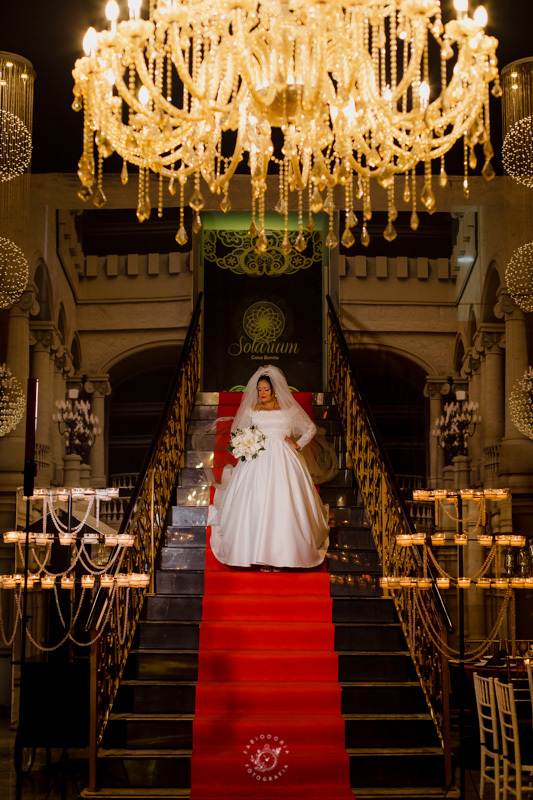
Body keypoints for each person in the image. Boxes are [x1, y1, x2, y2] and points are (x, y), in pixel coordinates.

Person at [208, 365, 335, 570]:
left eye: (266, 389)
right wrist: (246, 443)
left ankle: (281, 556)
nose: (262, 394)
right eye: (259, 390)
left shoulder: (289, 409)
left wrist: (298, 444)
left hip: (283, 459)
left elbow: (310, 428)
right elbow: (239, 431)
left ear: (275, 389)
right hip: (257, 459)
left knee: (283, 503)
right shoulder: (253, 409)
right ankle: (261, 557)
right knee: (257, 503)